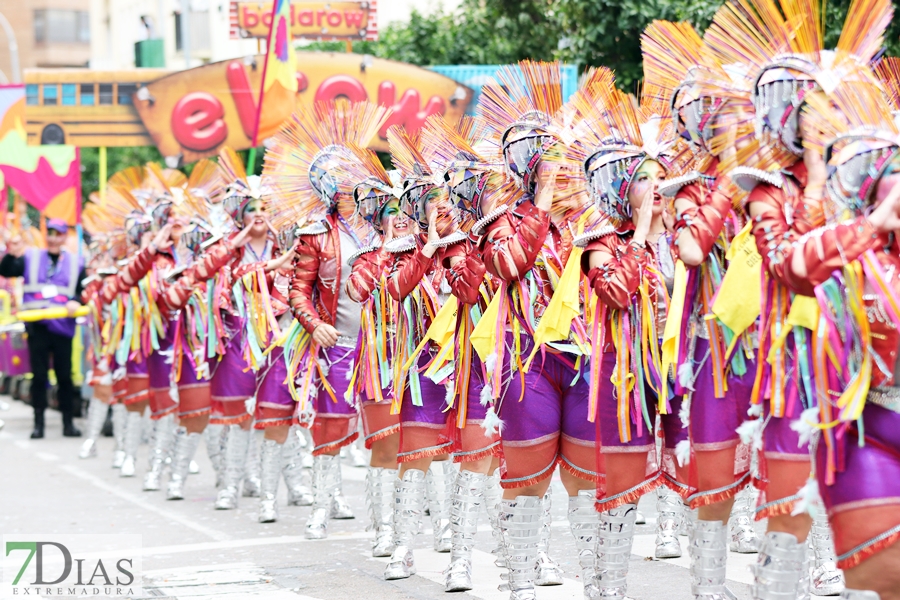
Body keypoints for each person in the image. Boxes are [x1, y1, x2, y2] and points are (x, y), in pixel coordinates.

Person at [264, 99, 390, 539]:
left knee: (385, 433)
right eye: (338, 181)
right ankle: (321, 508)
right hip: (337, 344)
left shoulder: (387, 226)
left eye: (352, 178)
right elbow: (299, 290)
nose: (348, 188)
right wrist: (315, 324)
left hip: (383, 347)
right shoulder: (314, 234)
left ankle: (386, 525)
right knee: (329, 427)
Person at [0, 218, 86, 439]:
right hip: (38, 327)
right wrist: (12, 251)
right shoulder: (31, 256)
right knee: (39, 377)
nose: (54, 238)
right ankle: (38, 424)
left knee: (64, 376)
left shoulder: (76, 262)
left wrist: (77, 300)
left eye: (58, 233)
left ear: (65, 236)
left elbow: (83, 290)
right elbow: (7, 269)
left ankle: (68, 424)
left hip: (63, 327)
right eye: (50, 233)